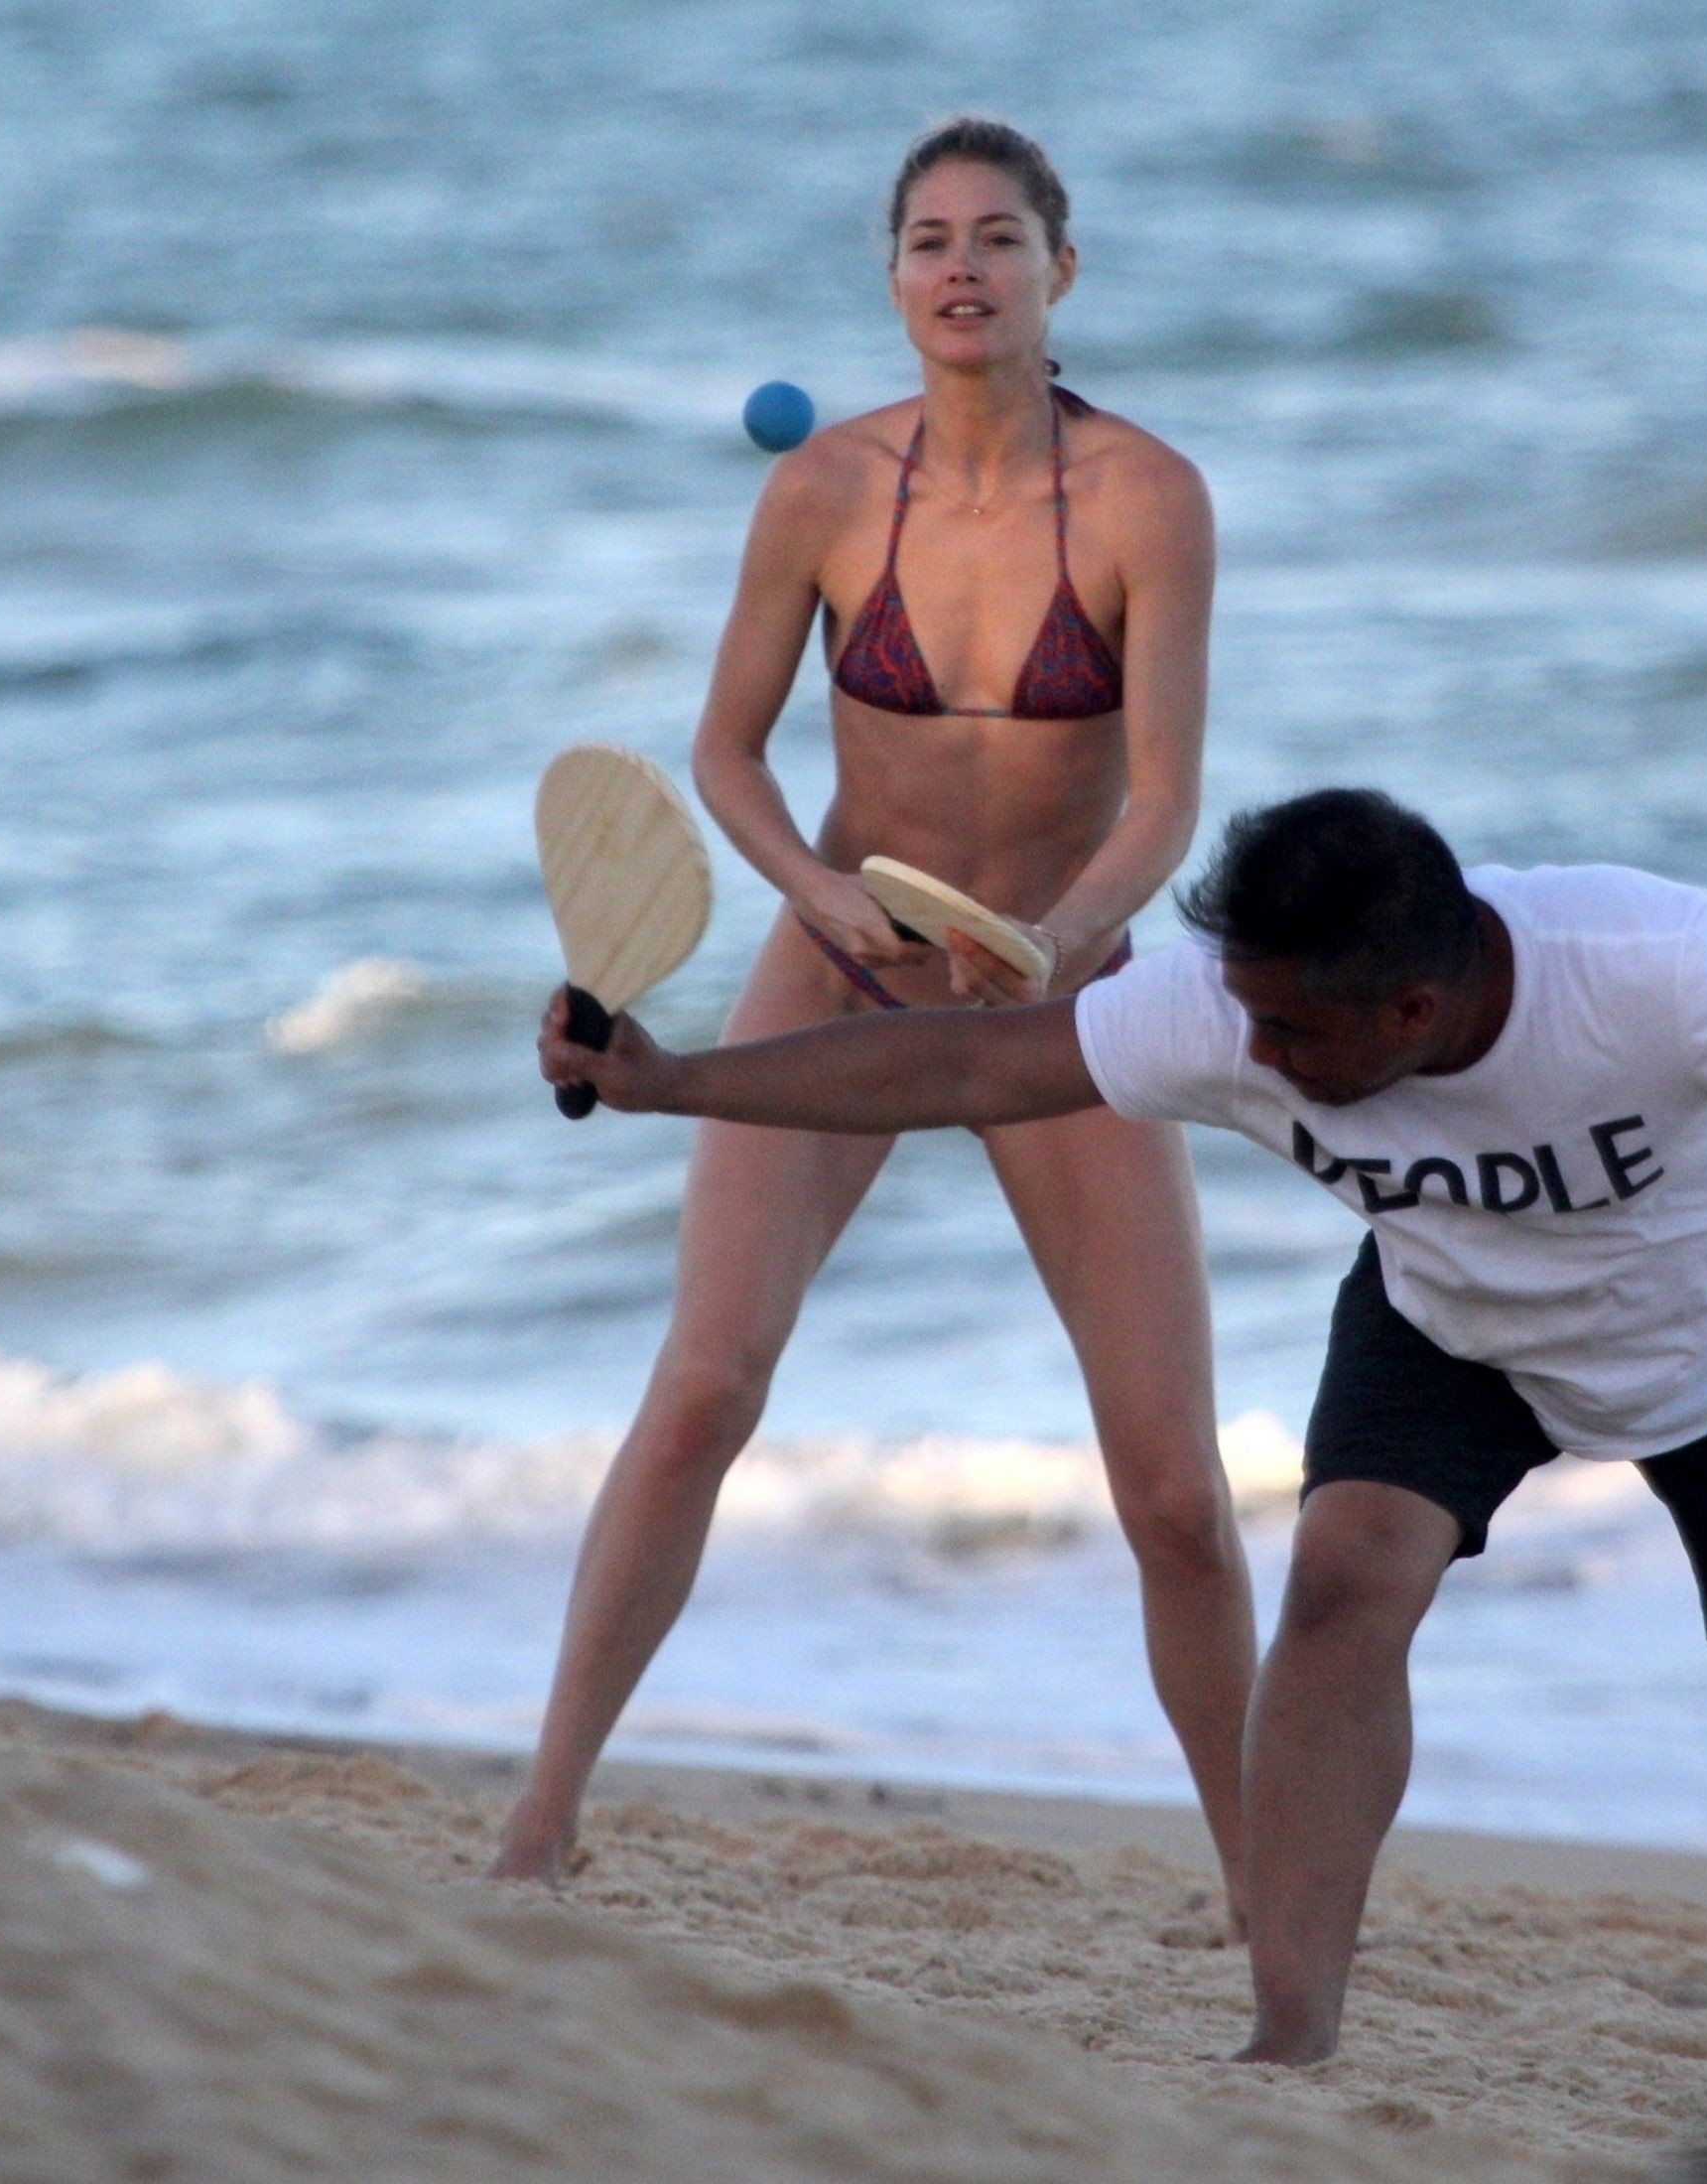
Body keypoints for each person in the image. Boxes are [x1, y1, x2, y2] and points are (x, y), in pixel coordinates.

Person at [532, 787, 1707, 2138]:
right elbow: (972, 1069)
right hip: (1452, 1322)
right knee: (1343, 1579)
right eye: (1245, 1013)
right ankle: (1290, 2040)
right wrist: (675, 1081)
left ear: (1416, 1011)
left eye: (1293, 1032)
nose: (1251, 1053)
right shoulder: (1239, 1002)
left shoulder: (1661, 970)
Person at [489, 117, 1257, 1910]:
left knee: (1169, 1487)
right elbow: (726, 750)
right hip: (843, 962)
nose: (962, 268)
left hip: (1060, 1001)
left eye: (998, 238)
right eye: (929, 241)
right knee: (704, 1389)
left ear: (1062, 271)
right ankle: (539, 1822)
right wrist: (814, 891)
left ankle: (1259, 1883)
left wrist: (1061, 943)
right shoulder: (826, 490)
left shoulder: (1148, 498)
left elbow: (1162, 802)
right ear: (895, 277)